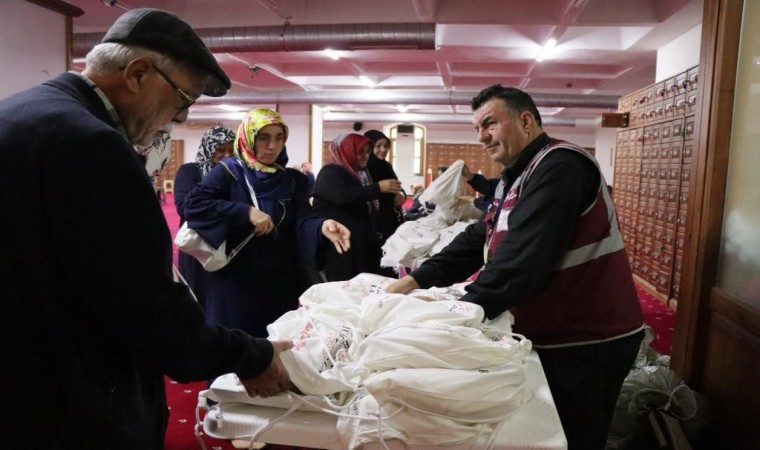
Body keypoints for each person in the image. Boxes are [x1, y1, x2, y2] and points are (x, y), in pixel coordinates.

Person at [0, 8, 294, 448]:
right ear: (138, 74)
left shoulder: (19, 113)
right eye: (183, 99)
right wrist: (249, 355)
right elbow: (141, 306)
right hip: (67, 402)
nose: (180, 119)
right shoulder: (92, 144)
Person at [385, 84, 645, 450]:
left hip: (589, 337)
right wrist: (415, 280)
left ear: (525, 121)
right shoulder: (516, 176)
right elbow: (480, 236)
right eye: (477, 128)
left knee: (574, 436)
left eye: (490, 123)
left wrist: (457, 314)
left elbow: (522, 260)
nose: (482, 137)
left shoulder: (560, 167)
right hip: (556, 327)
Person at [183, 108, 351, 338]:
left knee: (277, 341)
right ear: (248, 138)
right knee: (236, 343)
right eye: (263, 137)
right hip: (235, 279)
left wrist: (322, 225)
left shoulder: (293, 180)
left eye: (279, 138)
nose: (272, 146)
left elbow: (302, 217)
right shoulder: (229, 171)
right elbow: (193, 204)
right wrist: (245, 212)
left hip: (279, 279)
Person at [312, 133, 402, 281]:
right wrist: (377, 188)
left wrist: (397, 194)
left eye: (367, 152)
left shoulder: (360, 173)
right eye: (359, 152)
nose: (365, 156)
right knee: (343, 283)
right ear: (346, 151)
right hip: (340, 242)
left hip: (358, 241)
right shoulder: (331, 171)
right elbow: (341, 196)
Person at [174, 125, 236, 308]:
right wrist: (233, 209)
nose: (227, 156)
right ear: (208, 148)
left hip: (228, 246)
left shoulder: (238, 174)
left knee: (225, 301)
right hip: (198, 247)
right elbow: (185, 208)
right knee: (198, 301)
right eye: (220, 150)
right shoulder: (190, 172)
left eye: (232, 150)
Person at [363, 129, 405, 244]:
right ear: (368, 147)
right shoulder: (363, 168)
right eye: (378, 146)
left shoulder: (386, 166)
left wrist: (400, 194)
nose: (383, 150)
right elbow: (360, 192)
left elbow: (396, 185)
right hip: (373, 218)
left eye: (386, 146)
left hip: (390, 215)